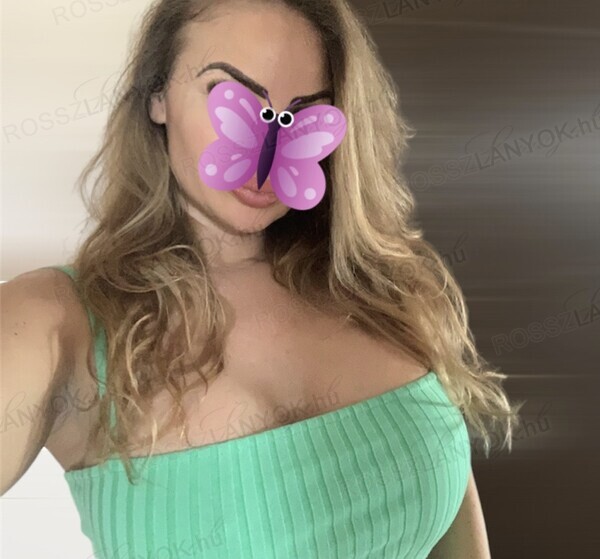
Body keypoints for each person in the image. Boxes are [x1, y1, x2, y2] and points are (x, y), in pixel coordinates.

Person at [1, 0, 521, 557]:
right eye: (231, 94)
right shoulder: (55, 321)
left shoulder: (385, 289)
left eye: (305, 113)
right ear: (157, 96)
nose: (264, 157)